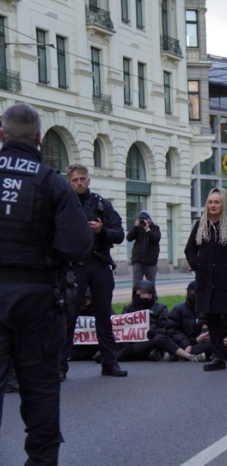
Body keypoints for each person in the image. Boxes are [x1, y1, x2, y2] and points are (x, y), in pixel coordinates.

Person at [0, 103, 93, 464]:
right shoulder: (51, 182)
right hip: (37, 301)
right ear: (39, 139)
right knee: (40, 393)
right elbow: (77, 245)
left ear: (2, 136)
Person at [62, 163, 127, 379]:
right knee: (68, 316)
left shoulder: (101, 204)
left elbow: (119, 234)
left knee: (103, 315)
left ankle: (109, 363)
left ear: (88, 180)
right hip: (75, 266)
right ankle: (59, 367)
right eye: (75, 180)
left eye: (82, 179)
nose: (79, 183)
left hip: (99, 263)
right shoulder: (63, 204)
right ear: (69, 182)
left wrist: (101, 231)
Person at [185, 187, 227, 373]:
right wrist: (196, 264)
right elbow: (189, 249)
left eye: (216, 202)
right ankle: (218, 357)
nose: (213, 205)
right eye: (210, 202)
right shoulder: (200, 226)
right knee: (211, 321)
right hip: (206, 283)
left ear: (223, 204)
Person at [164, 281, 212, 361]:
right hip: (182, 342)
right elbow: (171, 329)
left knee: (212, 344)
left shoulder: (208, 310)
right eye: (192, 293)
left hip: (199, 343)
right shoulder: (178, 309)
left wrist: (199, 339)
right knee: (160, 338)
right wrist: (186, 344)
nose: (195, 295)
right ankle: (191, 355)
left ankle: (179, 355)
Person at [126, 209, 161, 289]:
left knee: (151, 285)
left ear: (149, 219)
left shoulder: (155, 228)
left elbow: (156, 240)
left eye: (145, 219)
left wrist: (147, 229)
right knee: (136, 285)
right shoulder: (137, 229)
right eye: (141, 219)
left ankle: (152, 301)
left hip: (151, 262)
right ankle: (135, 300)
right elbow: (129, 238)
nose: (143, 221)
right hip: (138, 261)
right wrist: (135, 226)